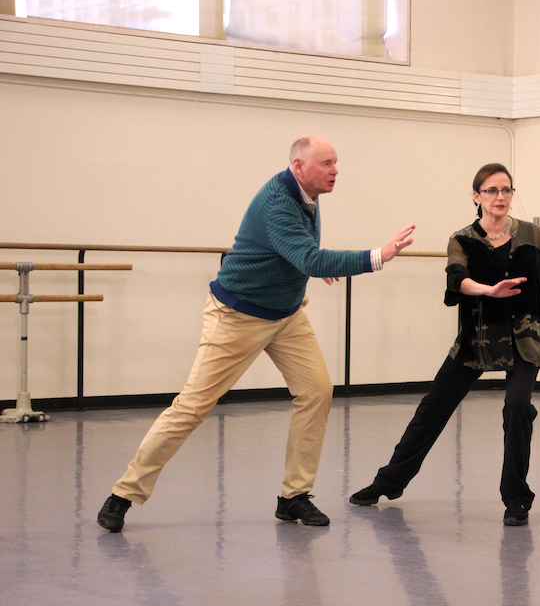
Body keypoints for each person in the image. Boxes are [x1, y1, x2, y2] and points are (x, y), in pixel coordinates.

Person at [96, 135, 416, 532]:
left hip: (287, 317)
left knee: (317, 390)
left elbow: (298, 254)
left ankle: (294, 496)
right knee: (192, 407)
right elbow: (307, 255)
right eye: (327, 163)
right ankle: (124, 493)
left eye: (336, 162)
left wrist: (309, 266)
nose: (335, 170)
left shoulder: (308, 196)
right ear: (299, 166)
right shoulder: (278, 202)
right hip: (237, 316)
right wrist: (376, 257)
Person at [348, 163, 540, 526]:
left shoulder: (532, 235)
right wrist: (487, 290)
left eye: (507, 190)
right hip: (477, 338)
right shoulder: (462, 239)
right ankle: (389, 482)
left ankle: (516, 498)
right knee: (433, 409)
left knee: (517, 406)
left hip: (526, 337)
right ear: (476, 196)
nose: (501, 197)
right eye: (492, 191)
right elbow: (457, 280)